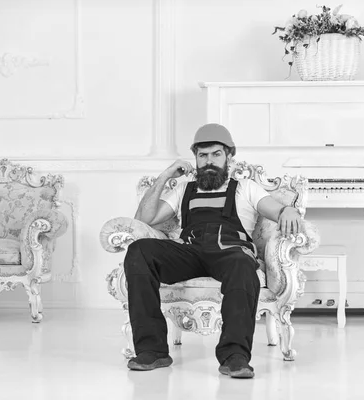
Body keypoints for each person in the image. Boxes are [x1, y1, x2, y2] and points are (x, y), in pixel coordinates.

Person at [123, 123, 302, 379]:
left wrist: (290, 210)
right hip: (189, 252)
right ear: (195, 158)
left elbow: (276, 210)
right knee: (139, 251)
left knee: (242, 265)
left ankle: (235, 356)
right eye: (202, 155)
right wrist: (165, 175)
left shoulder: (246, 187)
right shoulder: (183, 189)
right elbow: (142, 219)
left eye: (216, 154)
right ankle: (152, 351)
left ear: (229, 156)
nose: (209, 161)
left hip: (231, 253)